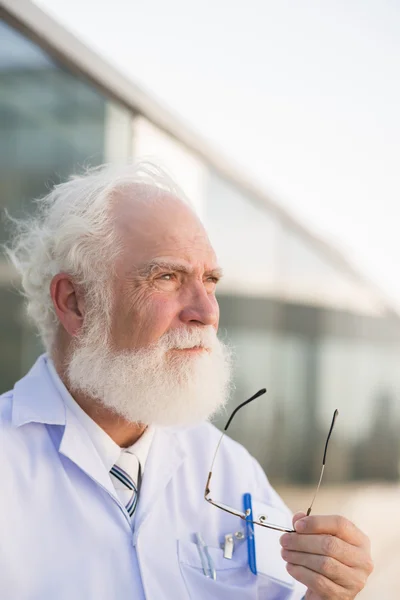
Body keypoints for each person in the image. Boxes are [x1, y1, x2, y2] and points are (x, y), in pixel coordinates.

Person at [0, 161, 373, 599]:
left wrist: (327, 593)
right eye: (167, 277)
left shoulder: (231, 470)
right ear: (75, 302)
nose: (207, 312)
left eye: (210, 280)